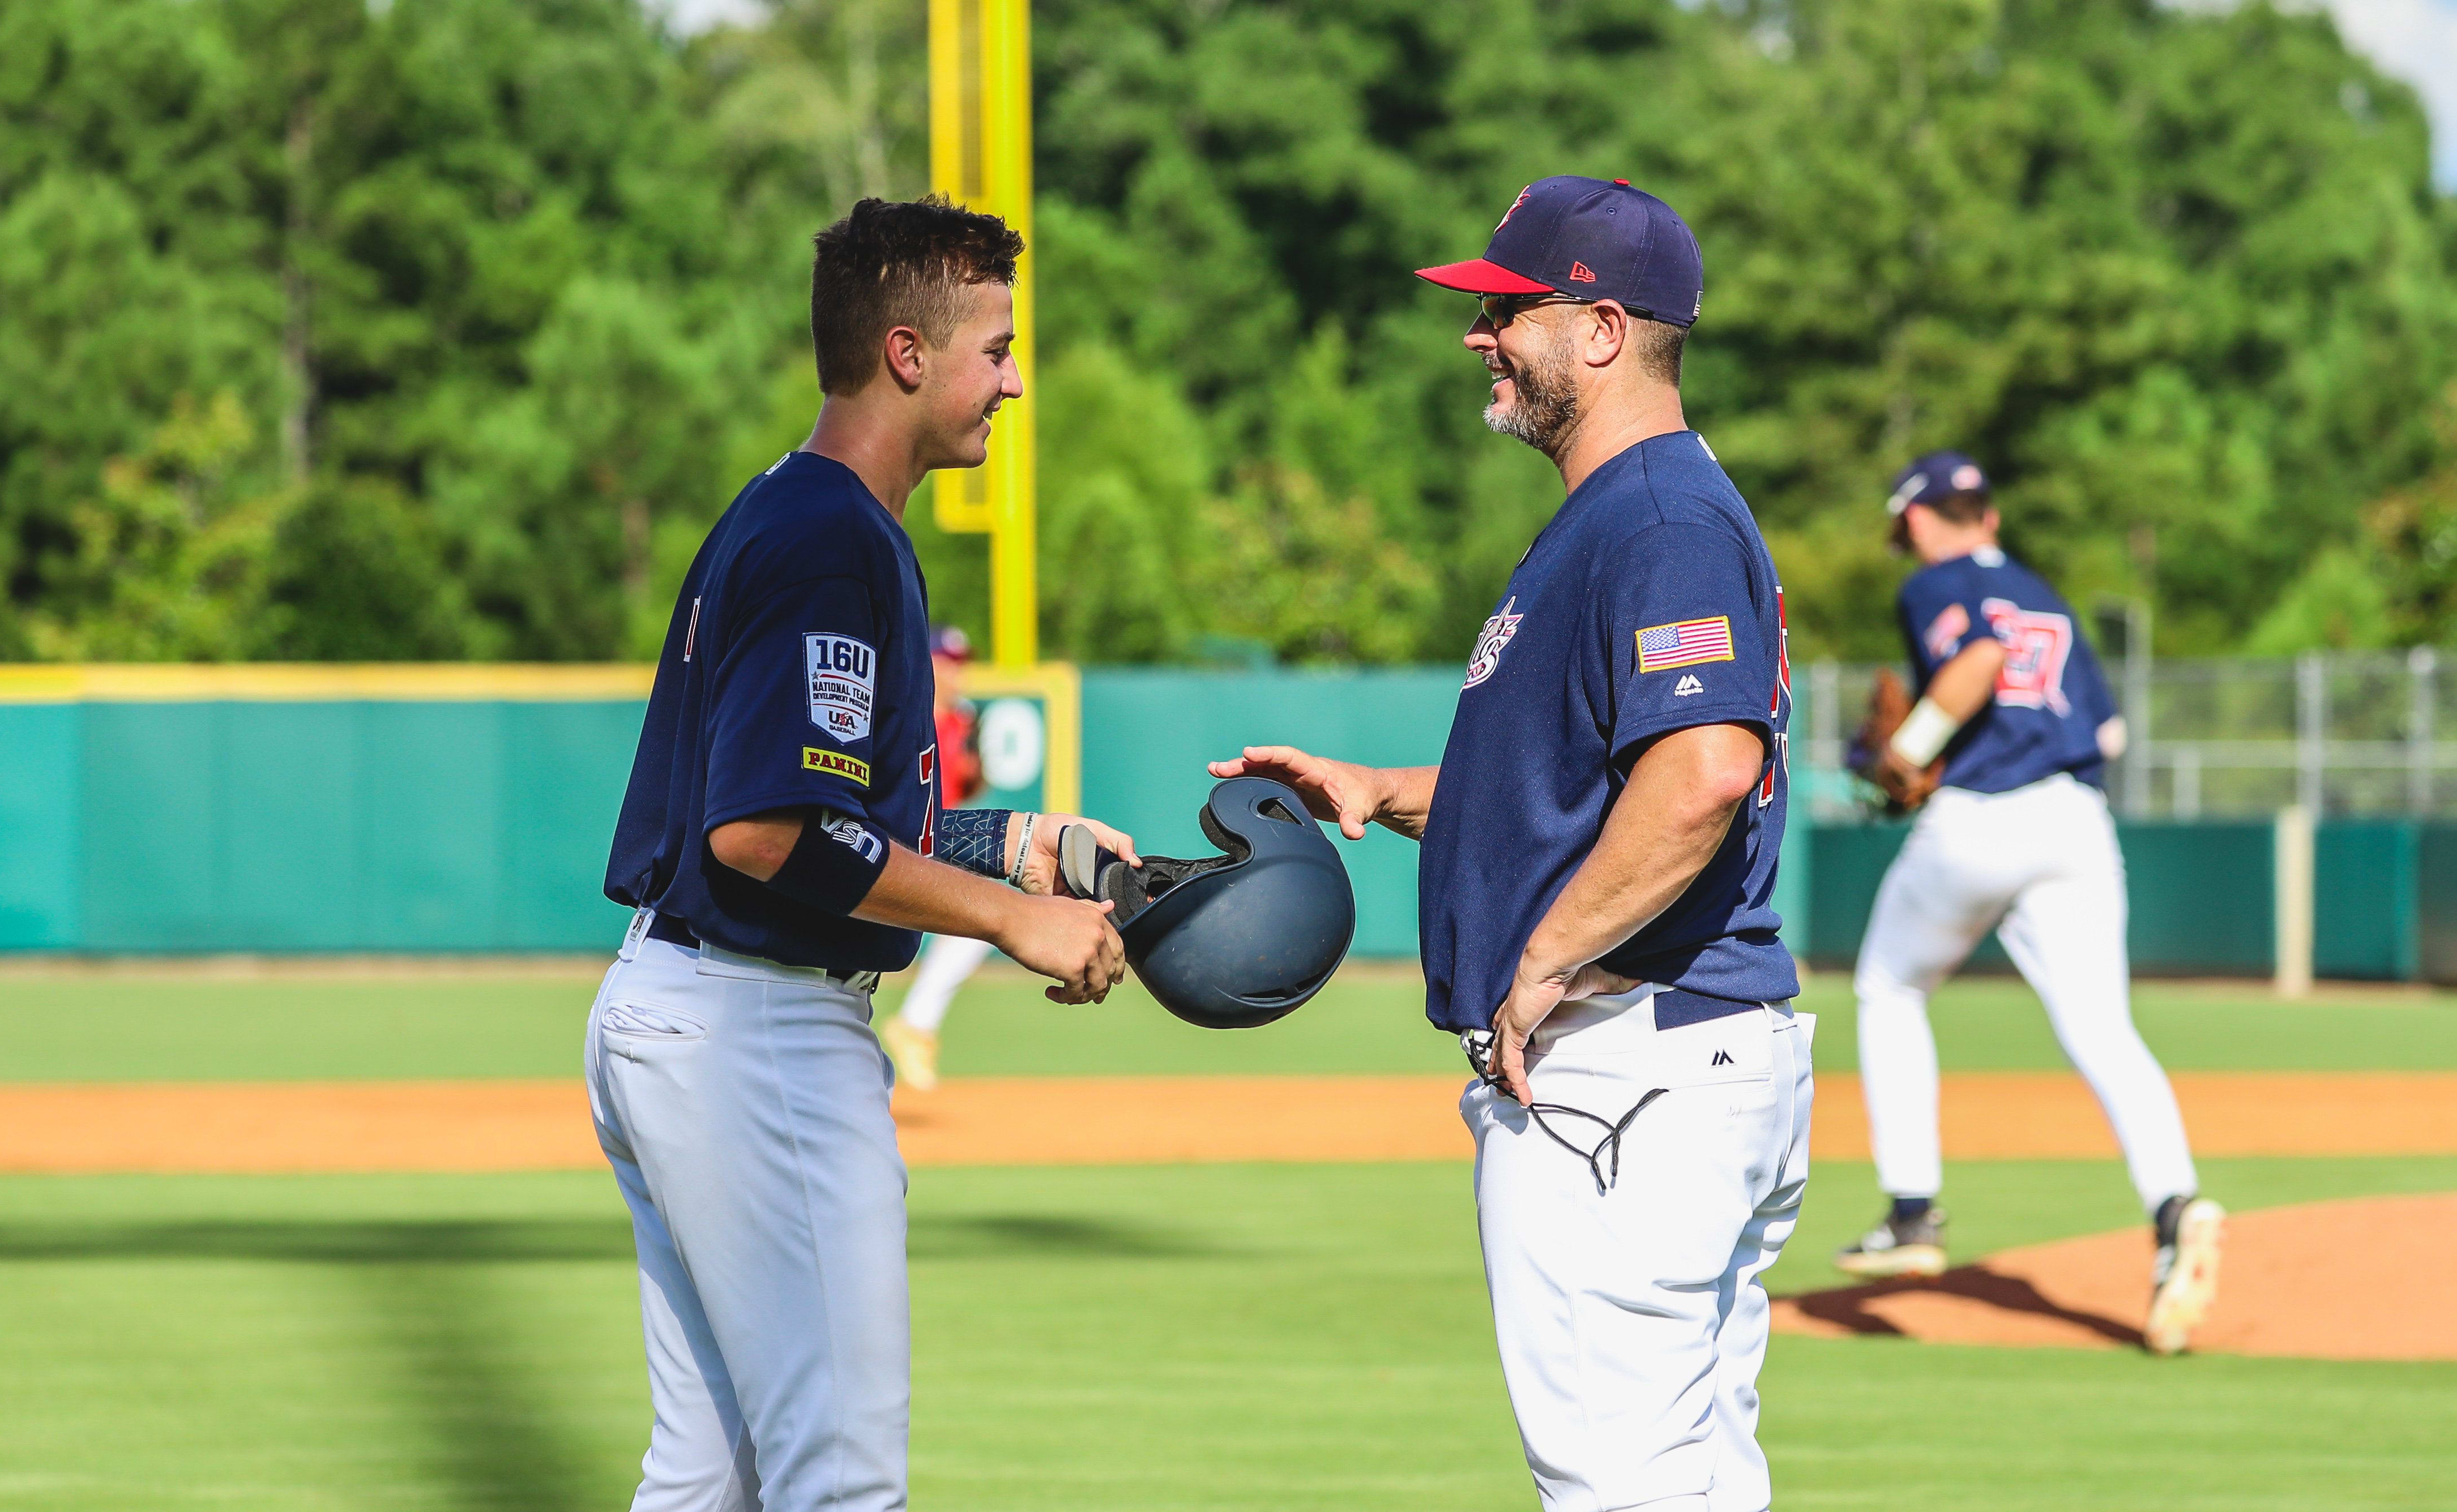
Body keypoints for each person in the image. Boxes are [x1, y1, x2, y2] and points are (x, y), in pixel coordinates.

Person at [1213, 176, 1811, 1512]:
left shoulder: (1655, 516)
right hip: (1667, 1062)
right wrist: (1377, 787)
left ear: (1601, 331)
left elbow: (1705, 769)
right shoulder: (1625, 513)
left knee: (1618, 1486)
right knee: (1690, 1481)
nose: (1478, 337)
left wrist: (1538, 962)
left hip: (1623, 1062)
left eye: (1508, 310)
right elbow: (1581, 783)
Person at [588, 195, 1138, 1512]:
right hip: (756, 1038)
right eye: (994, 347)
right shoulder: (833, 539)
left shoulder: (788, 510)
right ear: (906, 352)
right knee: (837, 1482)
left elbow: (818, 814)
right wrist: (1008, 919)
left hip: (688, 1011)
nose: (1013, 378)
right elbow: (766, 828)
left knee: (711, 1473)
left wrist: (1019, 844)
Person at [1840, 451, 2224, 1356]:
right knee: (2102, 1028)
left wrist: (1912, 749)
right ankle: (2174, 1206)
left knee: (1889, 989)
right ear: (1993, 517)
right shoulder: (2046, 594)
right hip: (2076, 819)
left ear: (1919, 523)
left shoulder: (1936, 584)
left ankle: (1911, 1212)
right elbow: (2107, 730)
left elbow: (1973, 659)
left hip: (1983, 813)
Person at [877, 625, 995, 1091]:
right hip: (894, 840)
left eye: (962, 663)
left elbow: (967, 789)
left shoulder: (960, 720)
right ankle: (911, 1027)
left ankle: (915, 1026)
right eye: (949, 663)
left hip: (935, 840)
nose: (958, 673)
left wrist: (974, 763)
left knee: (973, 928)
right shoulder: (902, 712)